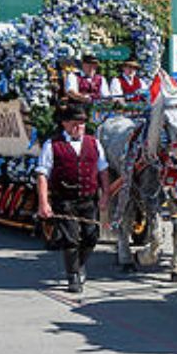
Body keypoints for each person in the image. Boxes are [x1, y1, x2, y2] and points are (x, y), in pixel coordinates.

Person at [36, 104, 108, 293]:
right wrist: (44, 202)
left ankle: (79, 264)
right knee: (70, 239)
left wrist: (105, 195)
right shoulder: (52, 145)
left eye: (82, 123)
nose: (79, 127)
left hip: (88, 198)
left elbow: (103, 170)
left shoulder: (94, 143)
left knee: (92, 236)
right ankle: (73, 275)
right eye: (75, 123)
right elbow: (43, 175)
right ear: (65, 124)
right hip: (65, 200)